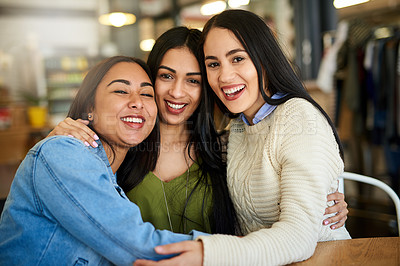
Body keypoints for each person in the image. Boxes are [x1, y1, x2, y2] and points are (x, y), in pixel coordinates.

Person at [48, 26, 348, 236]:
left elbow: (266, 203)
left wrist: (320, 202)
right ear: (149, 79)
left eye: (193, 80)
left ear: (206, 88)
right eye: (166, 76)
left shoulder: (227, 149)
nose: (177, 92)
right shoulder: (119, 146)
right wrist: (57, 139)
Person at [134, 9, 352, 266]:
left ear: (264, 58)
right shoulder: (238, 129)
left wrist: (208, 253)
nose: (224, 76)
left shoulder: (299, 117)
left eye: (237, 59)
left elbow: (299, 236)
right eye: (213, 64)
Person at [0, 56, 207, 265]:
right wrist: (228, 250)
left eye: (146, 94)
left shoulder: (117, 173)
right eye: (121, 91)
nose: (137, 102)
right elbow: (137, 245)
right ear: (90, 106)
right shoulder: (64, 152)